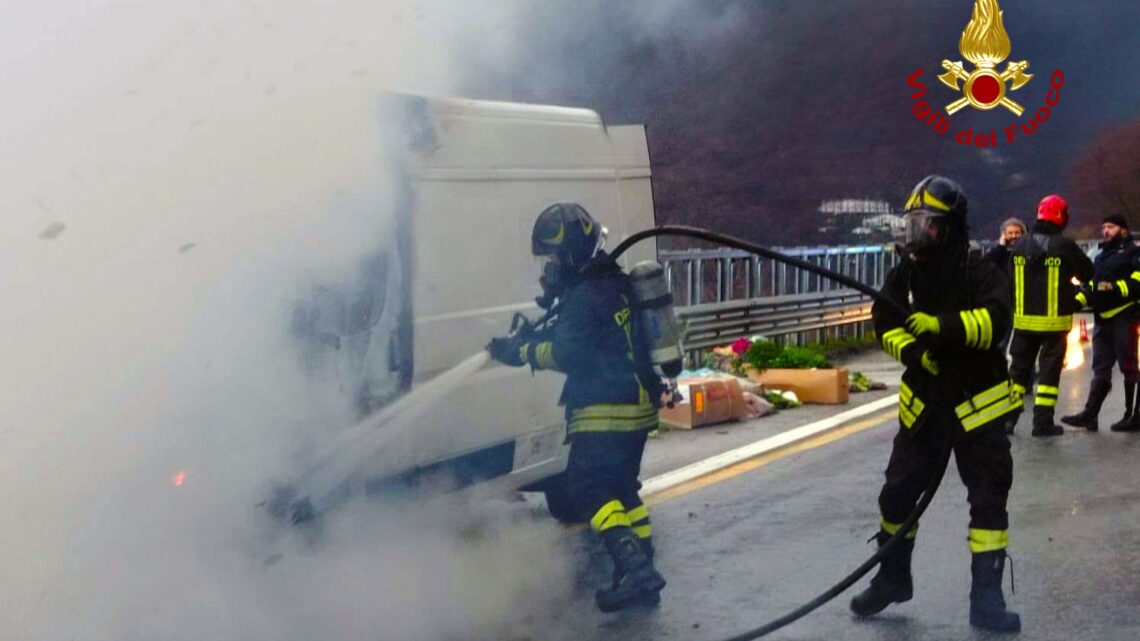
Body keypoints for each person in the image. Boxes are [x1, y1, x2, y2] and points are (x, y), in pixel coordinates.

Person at [850, 175, 1021, 633]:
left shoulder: (978, 268)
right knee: (897, 495)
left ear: (948, 227)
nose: (914, 234)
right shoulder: (906, 273)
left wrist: (941, 327)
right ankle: (892, 578)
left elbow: (996, 322)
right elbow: (883, 321)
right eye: (911, 224)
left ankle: (986, 600)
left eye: (924, 224)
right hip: (924, 404)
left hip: (977, 404)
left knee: (988, 503)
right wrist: (914, 351)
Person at [486, 202, 667, 612]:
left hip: (604, 409)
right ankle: (641, 571)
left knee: (588, 490)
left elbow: (568, 354)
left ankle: (636, 571)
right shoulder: (614, 284)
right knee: (623, 490)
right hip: (637, 406)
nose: (548, 267)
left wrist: (523, 351)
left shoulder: (584, 297)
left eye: (552, 258)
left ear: (567, 253)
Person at [1005, 196, 1094, 436]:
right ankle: (1042, 424)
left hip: (1023, 324)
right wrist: (1075, 293)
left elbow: (1010, 282)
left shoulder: (1020, 245)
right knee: (1047, 376)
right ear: (1061, 217)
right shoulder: (1063, 245)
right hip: (1055, 324)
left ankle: (1007, 421)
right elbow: (1088, 272)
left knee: (1017, 374)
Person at [1061, 214, 1140, 432]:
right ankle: (1090, 414)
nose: (1105, 231)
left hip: (1125, 316)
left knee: (1129, 366)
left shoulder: (1135, 253)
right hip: (1103, 319)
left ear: (1123, 230)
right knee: (1101, 368)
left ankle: (1133, 415)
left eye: (1111, 227)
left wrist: (1115, 288)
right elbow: (1092, 286)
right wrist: (1076, 302)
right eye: (1104, 226)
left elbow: (1137, 282)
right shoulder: (1101, 255)